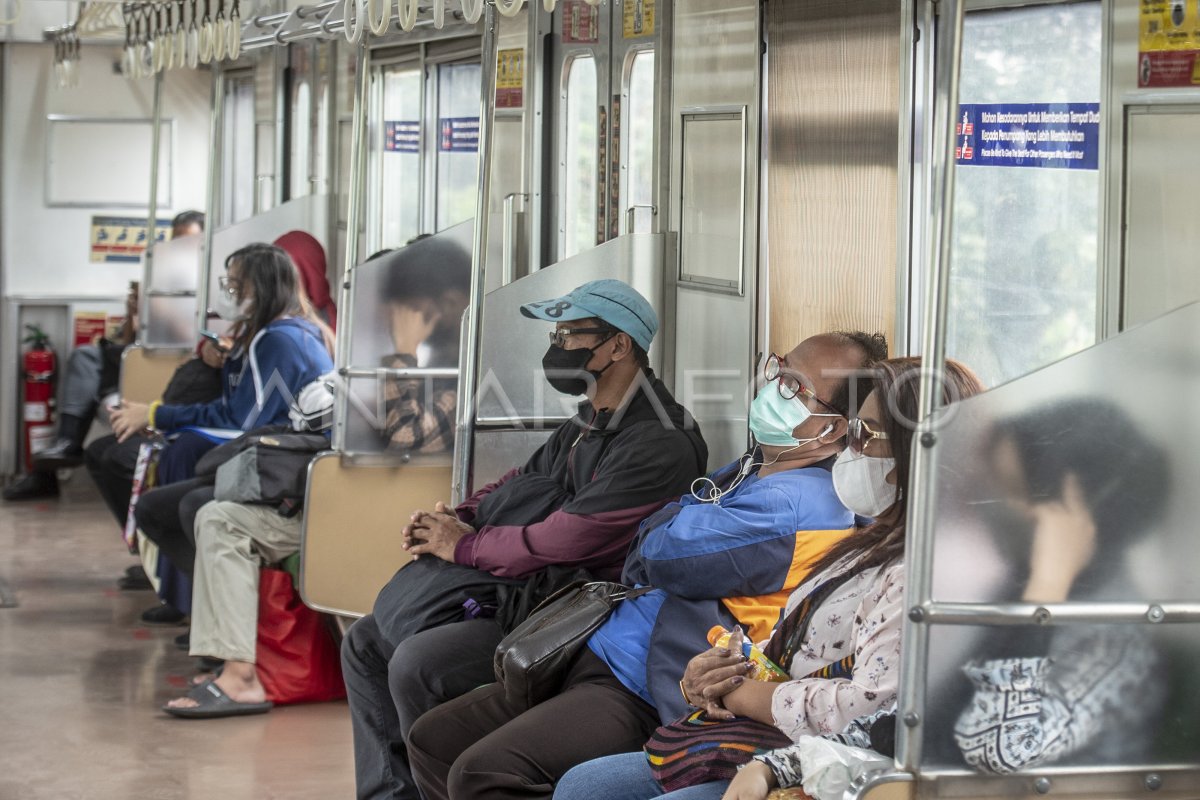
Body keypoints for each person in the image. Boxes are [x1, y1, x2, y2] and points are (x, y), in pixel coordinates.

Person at [412, 357, 983, 800]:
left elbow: (660, 550)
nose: (773, 390)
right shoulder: (820, 507)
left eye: (794, 387)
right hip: (649, 659)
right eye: (776, 371)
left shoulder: (808, 509)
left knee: (486, 762)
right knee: (436, 732)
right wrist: (715, 676)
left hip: (655, 685)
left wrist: (738, 691)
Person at [341, 279, 709, 800]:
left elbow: (570, 539)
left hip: (574, 614)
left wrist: (464, 545)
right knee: (365, 641)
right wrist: (458, 518)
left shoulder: (660, 439)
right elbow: (520, 480)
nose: (556, 348)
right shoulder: (588, 421)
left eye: (569, 335)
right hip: (526, 591)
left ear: (618, 345)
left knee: (418, 663)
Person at [160, 236, 474, 718]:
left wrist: (403, 352)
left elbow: (407, 435)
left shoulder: (462, 366)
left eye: (403, 309)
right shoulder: (428, 356)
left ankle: (241, 676)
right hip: (353, 497)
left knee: (217, 516)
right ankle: (237, 670)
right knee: (219, 515)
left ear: (446, 304)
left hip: (388, 512)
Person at [115, 242, 336, 626]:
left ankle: (214, 612)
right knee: (165, 498)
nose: (230, 295)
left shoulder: (278, 339)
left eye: (238, 287)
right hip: (274, 457)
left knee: (184, 477)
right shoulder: (274, 333)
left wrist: (159, 414)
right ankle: (207, 607)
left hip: (282, 468)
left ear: (263, 289)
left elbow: (245, 421)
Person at [952, 399, 1170, 774]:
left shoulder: (1113, 639)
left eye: (1014, 491)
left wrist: (1048, 584)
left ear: (1080, 515)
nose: (998, 508)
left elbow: (996, 748)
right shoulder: (1015, 585)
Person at [3, 211, 205, 501]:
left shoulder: (204, 283)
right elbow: (133, 339)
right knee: (86, 356)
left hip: (169, 360)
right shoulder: (161, 278)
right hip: (144, 354)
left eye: (187, 241)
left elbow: (180, 337)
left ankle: (59, 455)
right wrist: (135, 313)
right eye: (176, 242)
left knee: (101, 364)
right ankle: (65, 444)